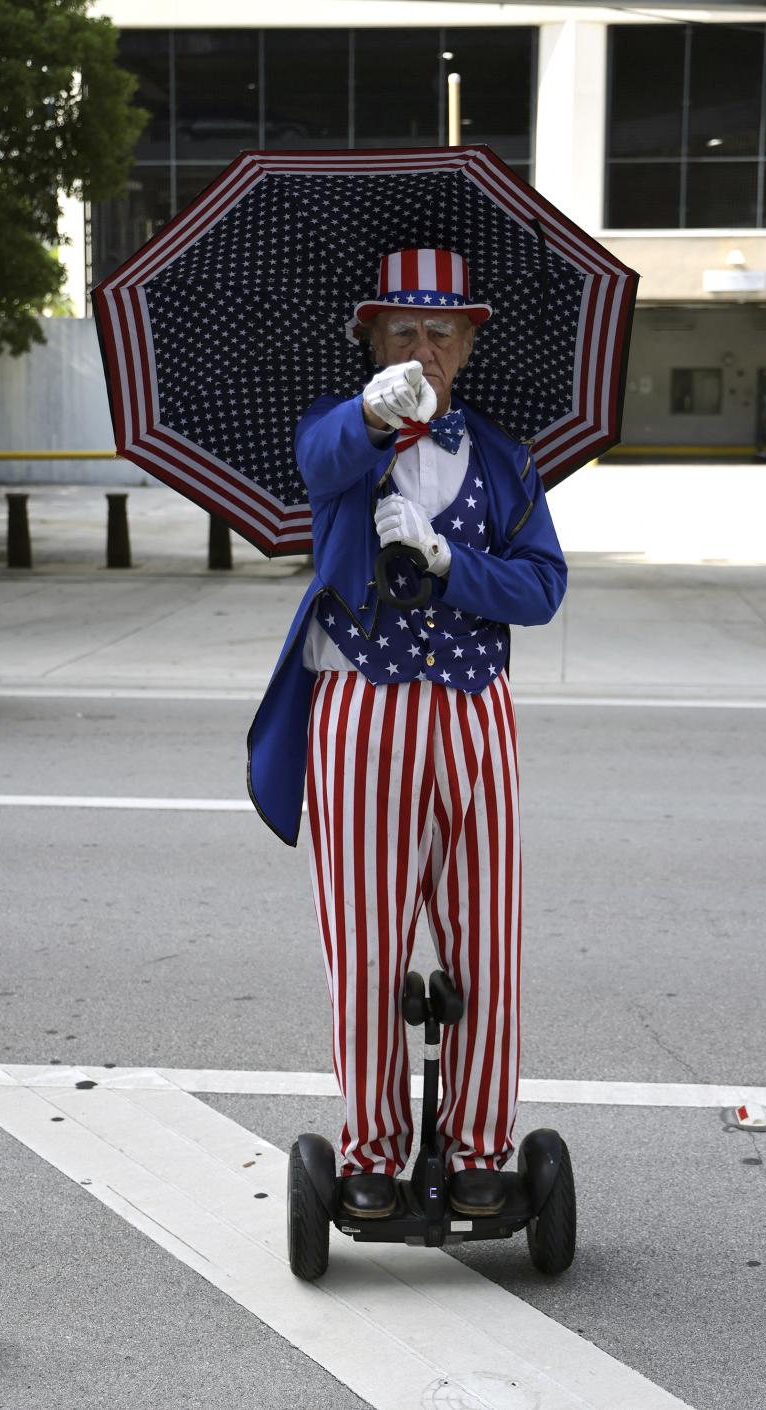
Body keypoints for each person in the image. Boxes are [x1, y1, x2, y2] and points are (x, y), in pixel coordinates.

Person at [247, 249, 567, 1220]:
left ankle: (478, 1145)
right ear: (372, 341)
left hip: (473, 714)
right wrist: (372, 414)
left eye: (439, 333)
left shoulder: (506, 461)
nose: (422, 350)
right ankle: (373, 1149)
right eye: (402, 332)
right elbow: (316, 461)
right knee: (369, 945)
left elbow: (542, 587)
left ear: (467, 344)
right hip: (364, 713)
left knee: (487, 942)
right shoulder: (341, 438)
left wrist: (447, 559)